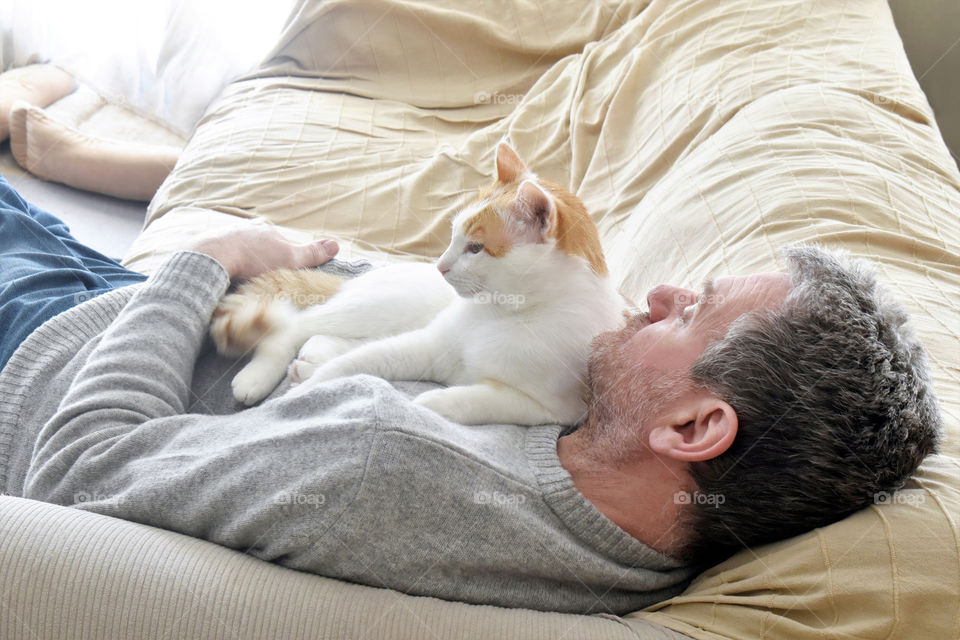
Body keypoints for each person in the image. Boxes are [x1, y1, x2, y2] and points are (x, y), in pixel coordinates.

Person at [0, 175, 941, 615]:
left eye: (688, 311)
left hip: (55, 354)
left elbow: (83, 464)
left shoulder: (387, 463)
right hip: (232, 314)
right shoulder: (653, 508)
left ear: (697, 427)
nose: (654, 293)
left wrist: (201, 266)